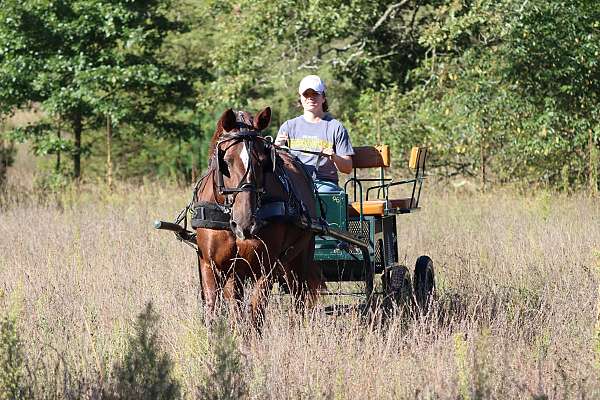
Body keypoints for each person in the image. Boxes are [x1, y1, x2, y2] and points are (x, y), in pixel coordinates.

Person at [275, 75, 354, 192]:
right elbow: (274, 164)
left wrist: (334, 156)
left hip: (323, 184)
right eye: (306, 94)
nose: (310, 98)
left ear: (323, 98)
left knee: (320, 193)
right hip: (294, 182)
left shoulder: (335, 127)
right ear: (300, 99)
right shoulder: (288, 126)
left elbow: (347, 168)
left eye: (315, 94)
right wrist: (276, 148)